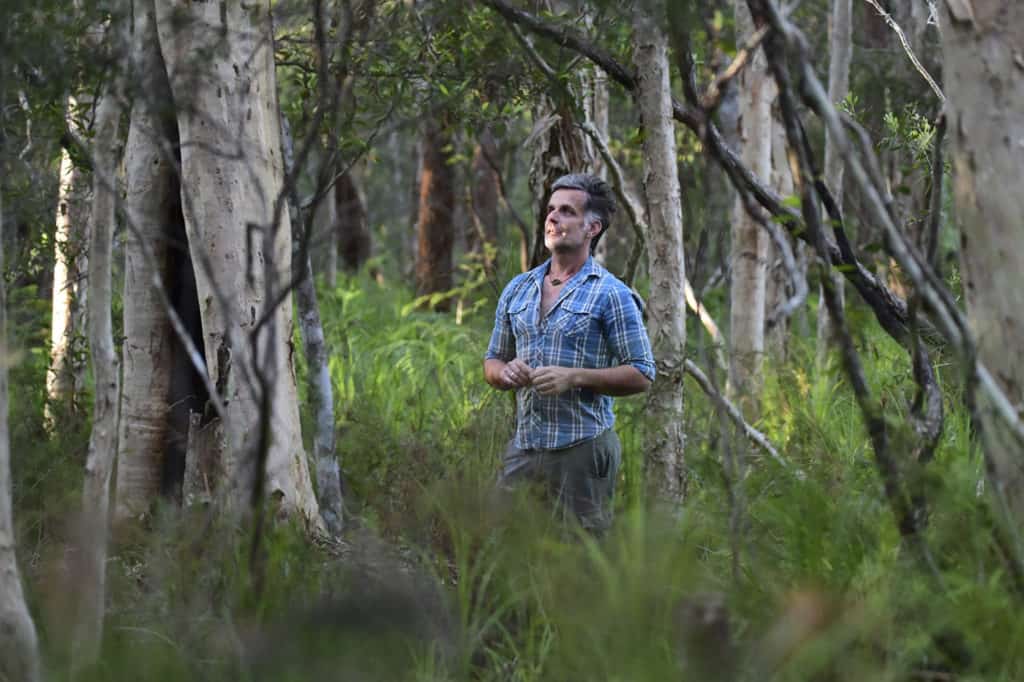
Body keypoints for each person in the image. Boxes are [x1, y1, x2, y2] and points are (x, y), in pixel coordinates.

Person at [483, 173, 656, 532]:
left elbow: (642, 373)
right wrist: (505, 373)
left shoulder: (612, 294)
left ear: (592, 227)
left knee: (581, 564)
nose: (552, 218)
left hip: (583, 450)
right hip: (526, 447)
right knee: (499, 546)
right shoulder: (519, 289)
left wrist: (575, 377)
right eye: (550, 210)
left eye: (566, 211)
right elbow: (492, 361)